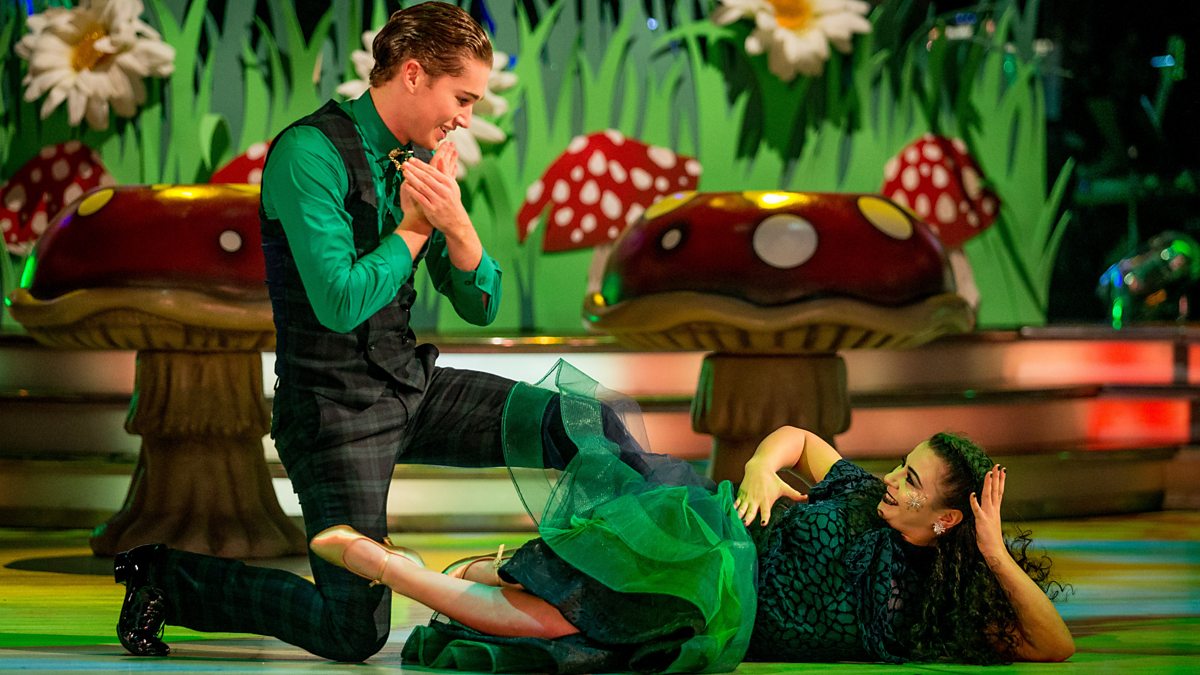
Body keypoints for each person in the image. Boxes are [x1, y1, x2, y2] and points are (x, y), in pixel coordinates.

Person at [113, 2, 537, 662]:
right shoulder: (308, 153)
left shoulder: (421, 159)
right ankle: (165, 577)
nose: (466, 118)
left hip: (411, 384)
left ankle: (579, 597)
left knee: (578, 424)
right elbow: (340, 302)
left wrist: (458, 228)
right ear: (414, 74)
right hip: (333, 410)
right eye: (463, 98)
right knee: (354, 631)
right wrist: (417, 228)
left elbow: (480, 306)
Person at [308, 361, 1076, 672]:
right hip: (707, 535)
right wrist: (761, 466)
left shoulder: (932, 610)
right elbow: (800, 439)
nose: (894, 479)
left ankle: (396, 570)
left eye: (912, 480)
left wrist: (993, 550)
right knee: (560, 579)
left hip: (719, 615)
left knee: (565, 621)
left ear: (946, 520)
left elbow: (1055, 644)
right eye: (902, 464)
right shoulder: (859, 496)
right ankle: (480, 568)